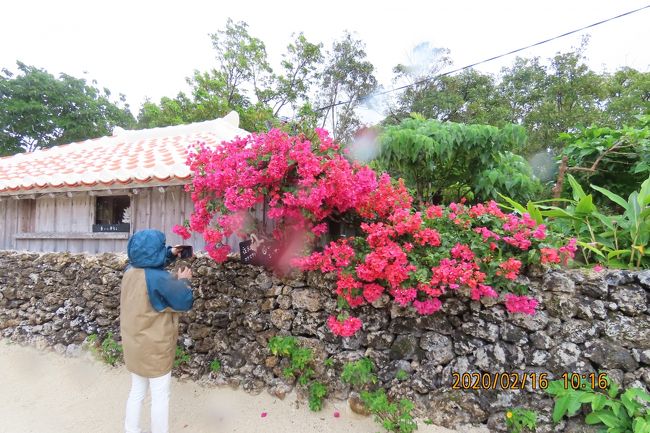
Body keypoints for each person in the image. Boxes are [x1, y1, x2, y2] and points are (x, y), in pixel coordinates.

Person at [120, 229, 194, 433]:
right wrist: (184, 281)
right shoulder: (159, 278)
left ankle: (131, 429)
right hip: (155, 347)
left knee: (137, 392)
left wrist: (169, 253)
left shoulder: (129, 270)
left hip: (134, 344)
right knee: (160, 396)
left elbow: (147, 264)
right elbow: (183, 301)